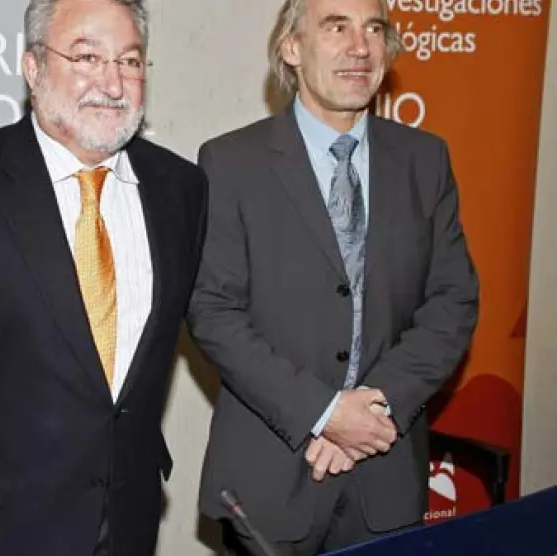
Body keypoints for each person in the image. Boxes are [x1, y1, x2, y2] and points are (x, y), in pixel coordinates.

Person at [0, 0, 207, 553]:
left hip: (126, 524)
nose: (112, 83)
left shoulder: (181, 190)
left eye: (129, 61)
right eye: (86, 57)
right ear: (32, 68)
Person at [186, 0, 479, 554]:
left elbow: (453, 302)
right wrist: (323, 414)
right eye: (336, 27)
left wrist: (374, 408)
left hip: (387, 474)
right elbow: (212, 312)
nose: (360, 47)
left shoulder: (425, 160)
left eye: (373, 29)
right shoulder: (231, 163)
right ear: (291, 48)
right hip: (270, 483)